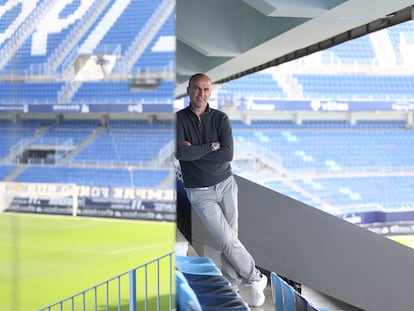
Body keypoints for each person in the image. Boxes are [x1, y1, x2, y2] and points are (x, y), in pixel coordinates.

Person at [175, 73, 267, 307]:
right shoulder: (178, 120)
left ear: (210, 92)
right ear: (188, 90)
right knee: (226, 238)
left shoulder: (220, 118)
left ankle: (233, 285)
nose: (201, 94)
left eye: (206, 89)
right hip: (199, 191)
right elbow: (181, 154)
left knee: (230, 239)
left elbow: (227, 154)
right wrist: (211, 146)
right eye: (197, 89)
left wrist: (197, 150)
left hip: (225, 184)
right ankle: (255, 277)